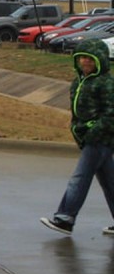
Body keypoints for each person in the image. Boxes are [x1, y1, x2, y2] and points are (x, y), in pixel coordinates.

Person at [40, 40, 114, 236]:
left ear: (100, 60)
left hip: (100, 139)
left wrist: (93, 132)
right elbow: (76, 111)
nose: (85, 62)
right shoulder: (79, 81)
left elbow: (111, 114)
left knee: (79, 178)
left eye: (90, 58)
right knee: (109, 181)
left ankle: (65, 219)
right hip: (88, 137)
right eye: (82, 58)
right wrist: (77, 129)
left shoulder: (106, 83)